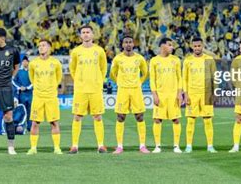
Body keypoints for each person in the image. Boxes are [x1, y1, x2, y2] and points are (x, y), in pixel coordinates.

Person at [69, 25, 108, 154]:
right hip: (81, 90)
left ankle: (101, 145)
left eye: (88, 32)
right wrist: (79, 81)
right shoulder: (76, 51)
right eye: (83, 32)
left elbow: (103, 68)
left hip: (95, 89)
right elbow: (72, 69)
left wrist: (98, 82)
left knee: (97, 117)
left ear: (92, 34)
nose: (85, 34)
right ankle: (74, 146)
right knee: (77, 117)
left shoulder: (99, 50)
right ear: (80, 36)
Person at [110, 35, 150, 154]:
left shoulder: (140, 58)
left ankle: (142, 146)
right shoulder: (117, 59)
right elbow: (112, 74)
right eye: (126, 42)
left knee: (140, 116)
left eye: (130, 42)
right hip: (123, 90)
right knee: (120, 117)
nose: (128, 44)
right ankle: (119, 146)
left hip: (136, 90)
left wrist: (139, 82)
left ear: (133, 44)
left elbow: (146, 73)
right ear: (122, 45)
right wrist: (119, 83)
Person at [27, 39, 63, 155]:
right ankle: (33, 148)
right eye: (39, 46)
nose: (41, 47)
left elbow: (58, 78)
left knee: (54, 122)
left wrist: (51, 88)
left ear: (49, 48)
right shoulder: (33, 63)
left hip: (51, 97)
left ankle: (57, 148)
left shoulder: (56, 63)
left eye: (43, 45)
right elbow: (32, 78)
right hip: (38, 96)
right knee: (35, 123)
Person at [183, 38, 217, 153]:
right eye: (195, 46)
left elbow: (214, 77)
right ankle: (188, 146)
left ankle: (210, 146)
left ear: (203, 46)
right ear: (192, 47)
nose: (197, 48)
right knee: (191, 120)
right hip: (192, 94)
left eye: (199, 46)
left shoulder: (209, 59)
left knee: (207, 120)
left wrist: (214, 92)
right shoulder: (188, 60)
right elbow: (185, 79)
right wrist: (185, 95)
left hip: (206, 93)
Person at [150, 38, 183, 153]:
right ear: (162, 46)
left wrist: (180, 94)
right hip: (160, 95)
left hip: (173, 95)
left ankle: (176, 146)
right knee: (157, 120)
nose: (172, 47)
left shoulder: (176, 60)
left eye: (172, 45)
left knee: (176, 120)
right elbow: (152, 79)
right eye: (169, 45)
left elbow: (180, 78)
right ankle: (157, 146)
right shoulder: (154, 61)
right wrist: (154, 94)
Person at [13, 56, 33, 131]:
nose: (25, 63)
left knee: (30, 111)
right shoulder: (18, 71)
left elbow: (34, 81)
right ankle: (21, 125)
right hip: (22, 94)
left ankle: (30, 126)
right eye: (24, 61)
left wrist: (27, 87)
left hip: (30, 94)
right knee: (22, 110)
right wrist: (19, 87)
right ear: (22, 62)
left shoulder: (31, 71)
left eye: (26, 61)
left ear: (28, 62)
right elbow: (14, 81)